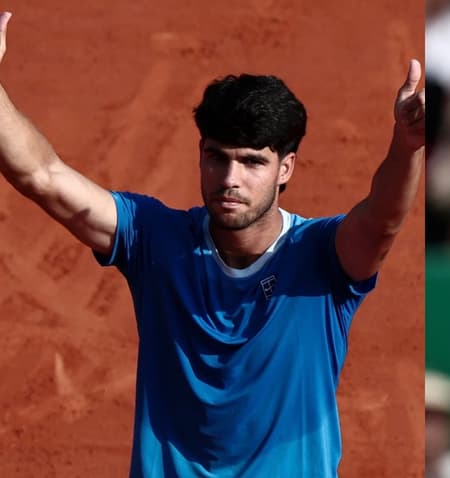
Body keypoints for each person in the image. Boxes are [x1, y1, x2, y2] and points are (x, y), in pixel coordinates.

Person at [0, 11, 424, 478]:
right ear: (200, 155)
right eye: (216, 158)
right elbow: (42, 176)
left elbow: (382, 221)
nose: (229, 179)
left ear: (285, 168)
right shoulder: (154, 239)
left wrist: (406, 146)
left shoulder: (322, 257)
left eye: (252, 162)